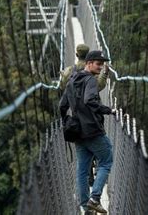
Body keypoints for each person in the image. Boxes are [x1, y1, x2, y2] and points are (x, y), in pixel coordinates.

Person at [59, 50, 114, 214]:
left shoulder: (72, 79)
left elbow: (62, 106)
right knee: (106, 160)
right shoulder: (90, 80)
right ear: (89, 63)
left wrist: (67, 122)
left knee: (82, 171)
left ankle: (86, 208)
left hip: (77, 133)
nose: (100, 67)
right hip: (92, 130)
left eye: (102, 64)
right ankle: (95, 198)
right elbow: (89, 99)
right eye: (98, 64)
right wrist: (107, 110)